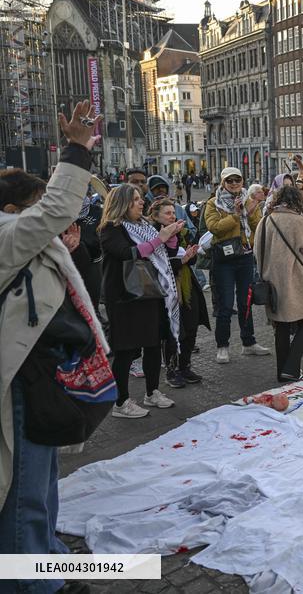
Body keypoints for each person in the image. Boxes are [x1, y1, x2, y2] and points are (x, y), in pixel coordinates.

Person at [0, 102, 112, 593]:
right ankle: (33, 581)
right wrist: (77, 148)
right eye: (34, 207)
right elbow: (60, 207)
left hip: (39, 369)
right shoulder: (6, 239)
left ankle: (47, 559)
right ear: (12, 212)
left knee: (42, 481)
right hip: (19, 379)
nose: (44, 219)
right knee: (23, 486)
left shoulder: (22, 237)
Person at [99, 183, 183, 417]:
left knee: (153, 343)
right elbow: (129, 254)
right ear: (123, 203)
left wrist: (171, 234)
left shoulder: (144, 225)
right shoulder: (110, 229)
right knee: (126, 350)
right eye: (136, 199)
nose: (142, 202)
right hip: (125, 297)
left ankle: (152, 392)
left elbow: (165, 253)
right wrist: (161, 238)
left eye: (140, 198)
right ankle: (120, 402)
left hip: (149, 292)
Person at [203, 166, 269, 363]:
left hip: (245, 257)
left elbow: (258, 226)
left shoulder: (249, 201)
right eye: (229, 181)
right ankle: (222, 346)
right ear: (223, 182)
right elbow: (214, 228)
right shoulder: (213, 203)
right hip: (224, 260)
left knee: (245, 301)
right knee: (225, 304)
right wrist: (235, 215)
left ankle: (248, 343)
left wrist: (250, 214)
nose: (233, 184)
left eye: (237, 180)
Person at [254, 185, 303, 382]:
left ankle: (283, 371)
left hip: (271, 282)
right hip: (295, 280)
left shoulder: (265, 221)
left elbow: (257, 252)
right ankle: (291, 367)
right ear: (298, 201)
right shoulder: (299, 222)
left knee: (280, 327)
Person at [147, 198, 208, 388]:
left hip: (187, 286)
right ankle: (171, 371)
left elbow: (187, 259)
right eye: (167, 213)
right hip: (167, 290)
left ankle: (185, 367)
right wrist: (180, 261)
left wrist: (191, 255)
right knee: (173, 332)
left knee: (191, 327)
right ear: (156, 217)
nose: (172, 216)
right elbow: (156, 266)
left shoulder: (180, 232)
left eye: (173, 212)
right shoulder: (153, 235)